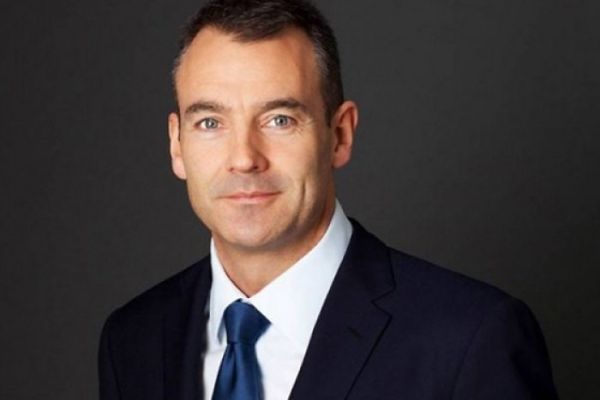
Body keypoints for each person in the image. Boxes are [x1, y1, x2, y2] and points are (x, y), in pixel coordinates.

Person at [98, 0, 559, 399]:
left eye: (279, 120)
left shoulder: (470, 338)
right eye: (210, 123)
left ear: (339, 135)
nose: (244, 158)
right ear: (177, 145)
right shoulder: (133, 339)